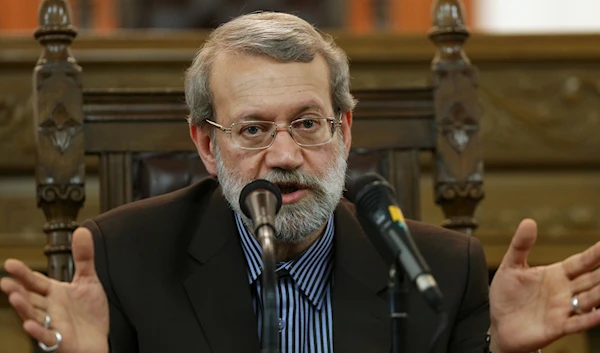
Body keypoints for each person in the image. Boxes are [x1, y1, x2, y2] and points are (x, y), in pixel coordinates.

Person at [2, 11, 600, 353]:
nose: (285, 155)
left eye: (308, 123)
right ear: (208, 146)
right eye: (254, 129)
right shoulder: (126, 259)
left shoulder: (441, 269)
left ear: (343, 129)